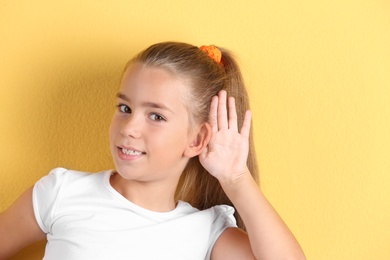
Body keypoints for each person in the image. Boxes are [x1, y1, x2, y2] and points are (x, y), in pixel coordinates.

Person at [0, 42, 305, 259]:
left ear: (197, 140)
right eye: (124, 107)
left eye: (156, 116)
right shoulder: (61, 193)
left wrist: (236, 177)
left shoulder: (207, 233)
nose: (129, 127)